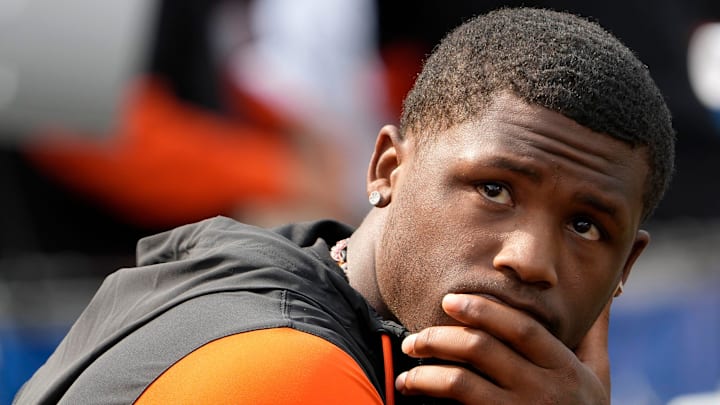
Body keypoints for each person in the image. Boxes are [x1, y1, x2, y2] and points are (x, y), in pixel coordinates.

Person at [14, 7, 675, 405]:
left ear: (626, 267)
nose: (530, 258)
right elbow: (50, 99)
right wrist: (269, 165)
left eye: (586, 226)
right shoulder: (287, 367)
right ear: (388, 168)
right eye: (493, 189)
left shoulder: (318, 279)